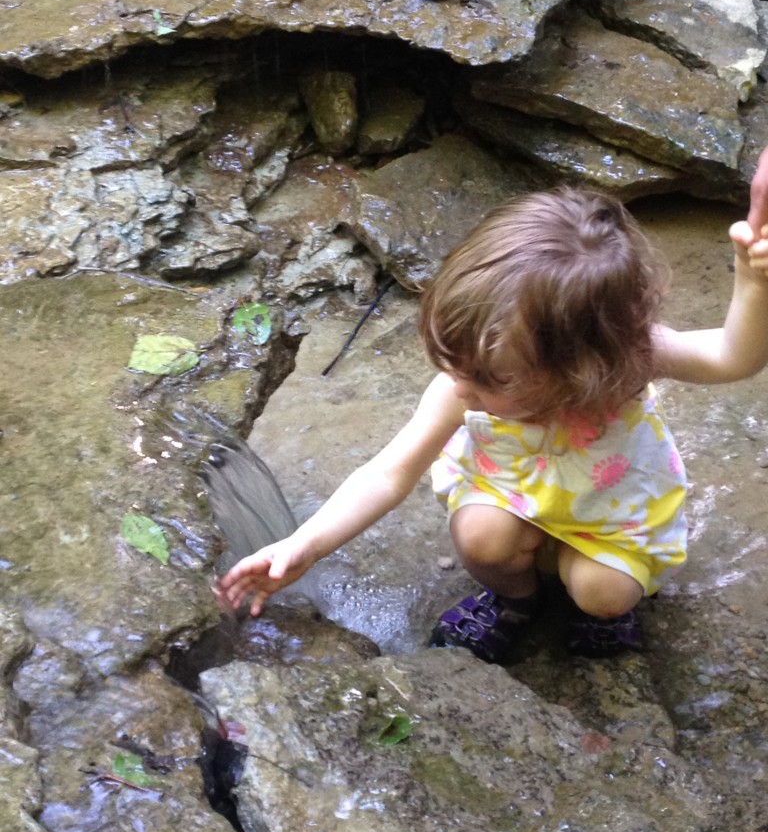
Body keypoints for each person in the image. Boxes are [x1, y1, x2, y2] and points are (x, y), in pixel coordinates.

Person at [215, 185, 768, 661]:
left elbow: (732, 358)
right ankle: (513, 600)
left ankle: (600, 614)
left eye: (489, 378)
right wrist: (304, 545)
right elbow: (388, 474)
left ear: (586, 367)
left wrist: (753, 281)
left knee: (603, 592)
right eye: (452, 363)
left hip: (612, 515)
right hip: (512, 499)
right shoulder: (462, 389)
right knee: (480, 536)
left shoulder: (633, 359)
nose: (460, 387)